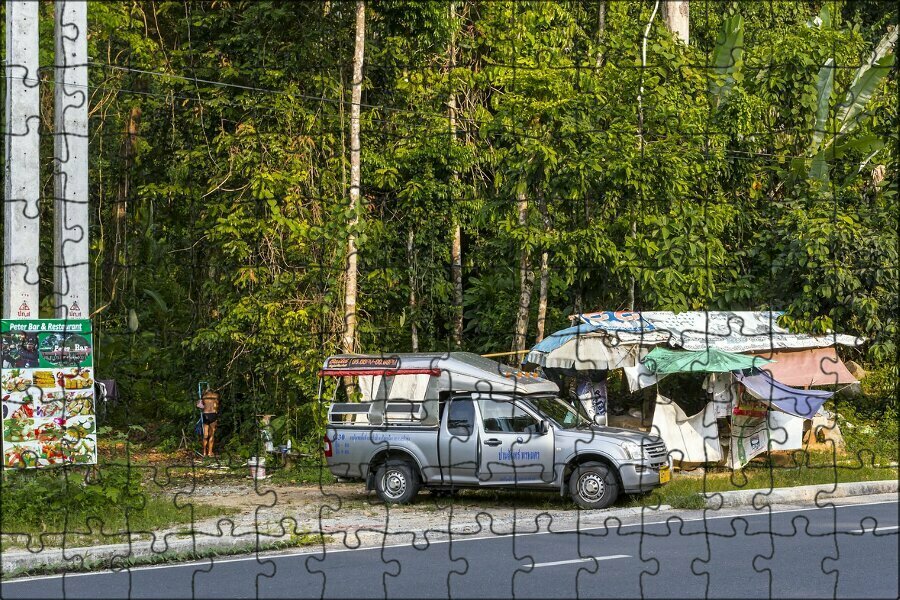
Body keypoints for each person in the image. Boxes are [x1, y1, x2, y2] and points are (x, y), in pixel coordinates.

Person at [200, 389, 221, 457]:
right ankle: (210, 452)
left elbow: (199, 405)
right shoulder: (216, 395)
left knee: (205, 435)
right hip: (213, 415)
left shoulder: (204, 396)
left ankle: (204, 452)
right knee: (212, 435)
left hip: (206, 414)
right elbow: (217, 405)